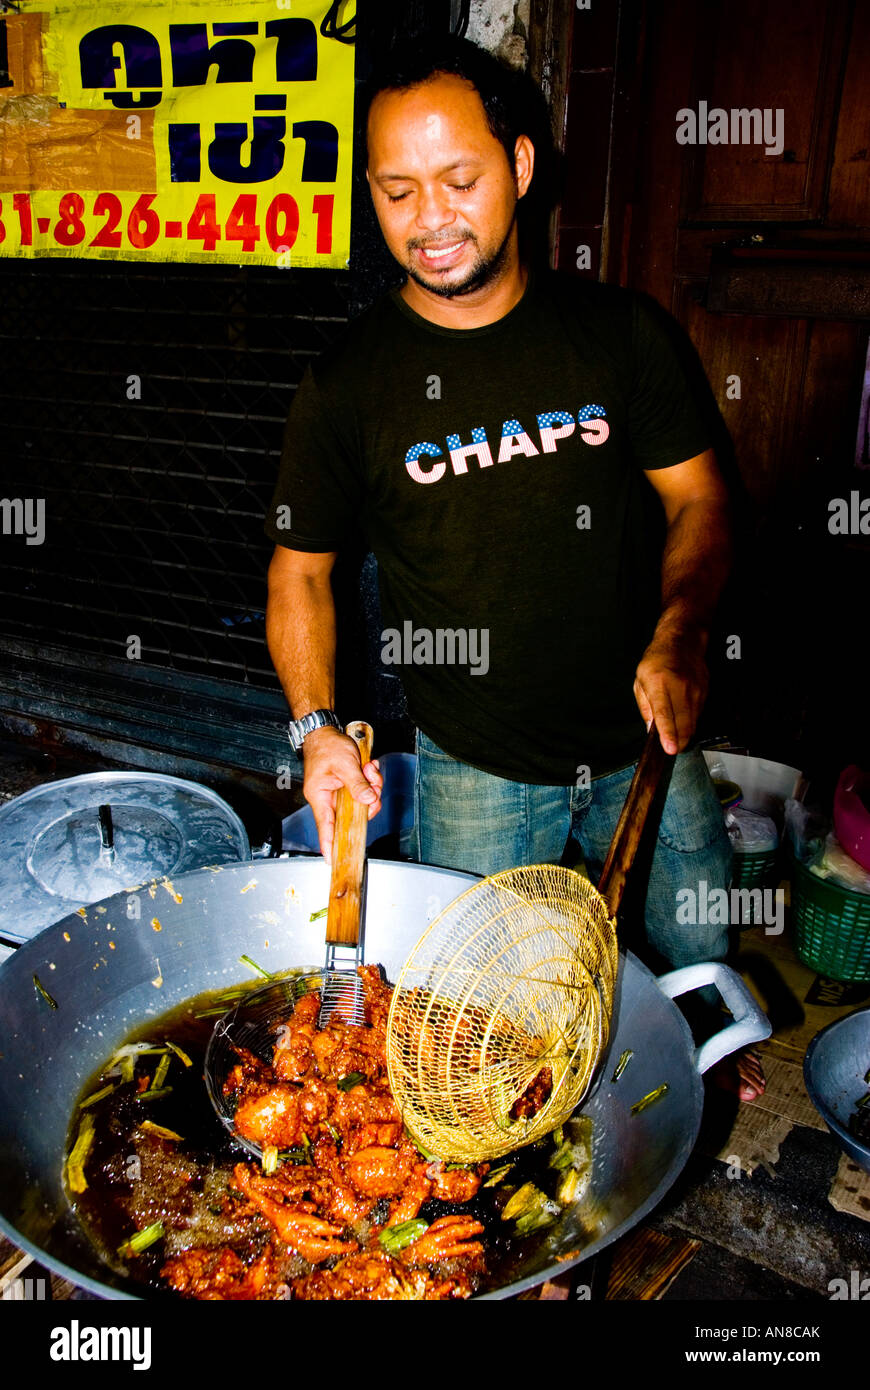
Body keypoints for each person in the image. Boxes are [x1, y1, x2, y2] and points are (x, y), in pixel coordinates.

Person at [264, 37, 764, 1101]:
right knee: (498, 1036)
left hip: (646, 740)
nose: (430, 218)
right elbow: (300, 572)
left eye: (460, 179)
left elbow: (701, 498)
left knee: (698, 969)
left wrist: (680, 628)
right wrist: (313, 729)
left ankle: (694, 1094)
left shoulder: (619, 335)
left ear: (522, 170)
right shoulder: (347, 384)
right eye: (397, 191)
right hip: (475, 768)